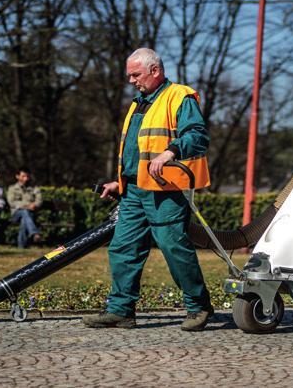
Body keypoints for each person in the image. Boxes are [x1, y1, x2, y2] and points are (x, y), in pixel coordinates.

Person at [83, 48, 213, 331]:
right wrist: (121, 181)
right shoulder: (139, 102)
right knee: (123, 249)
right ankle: (120, 311)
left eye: (135, 74)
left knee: (173, 247)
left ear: (155, 71)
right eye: (129, 75)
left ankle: (198, 306)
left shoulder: (179, 96)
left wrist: (170, 153)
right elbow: (136, 151)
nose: (131, 80)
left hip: (164, 191)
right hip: (134, 191)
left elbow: (197, 135)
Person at [7, 167, 43, 248]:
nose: (26, 178)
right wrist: (27, 206)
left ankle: (21, 246)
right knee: (24, 212)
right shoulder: (12, 188)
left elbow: (39, 200)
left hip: (30, 213)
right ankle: (34, 233)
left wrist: (35, 205)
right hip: (16, 214)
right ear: (17, 176)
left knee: (25, 217)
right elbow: (11, 202)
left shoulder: (34, 188)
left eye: (27, 176)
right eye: (23, 176)